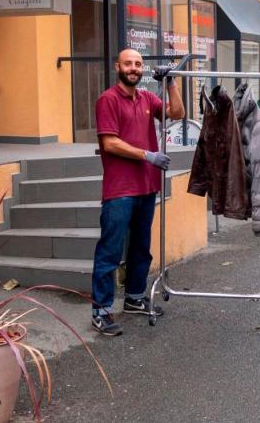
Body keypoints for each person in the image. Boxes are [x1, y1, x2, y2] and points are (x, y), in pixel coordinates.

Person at [90, 49, 185, 336]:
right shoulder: (107, 100)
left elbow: (177, 113)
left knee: (140, 248)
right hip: (120, 190)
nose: (133, 68)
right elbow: (110, 143)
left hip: (146, 186)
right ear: (117, 66)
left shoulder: (146, 98)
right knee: (110, 250)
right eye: (128, 63)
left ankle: (133, 298)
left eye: (138, 64)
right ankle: (101, 310)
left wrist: (170, 83)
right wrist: (148, 155)